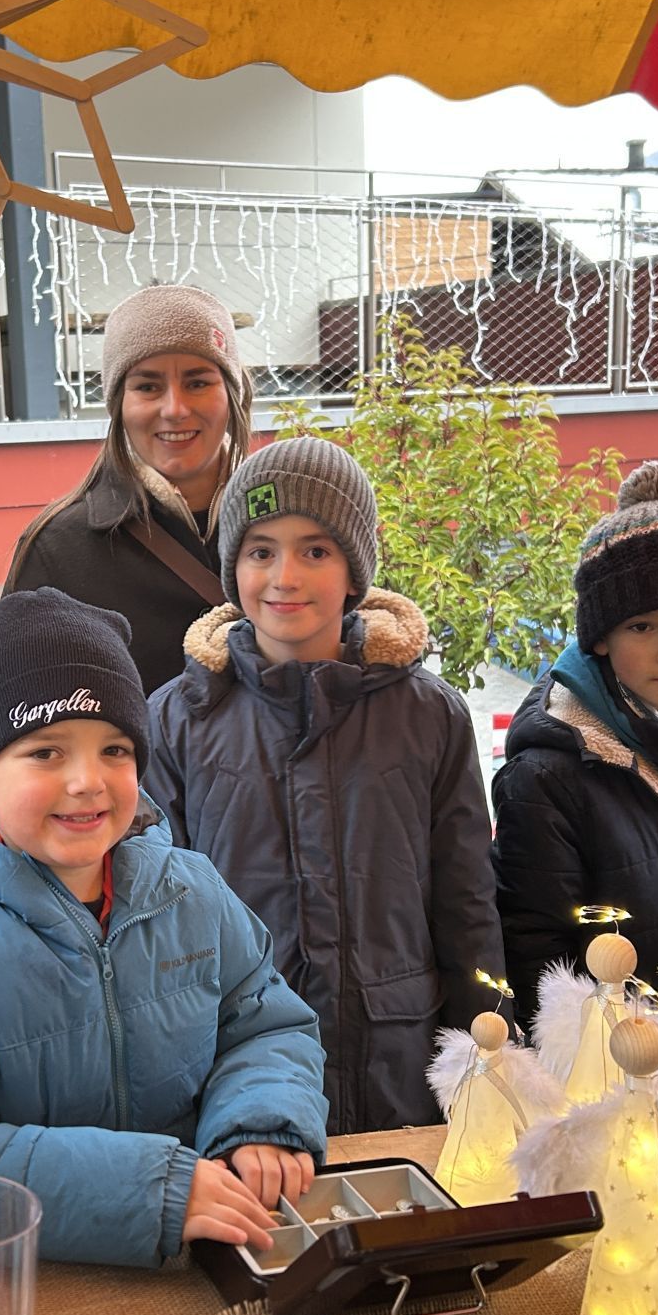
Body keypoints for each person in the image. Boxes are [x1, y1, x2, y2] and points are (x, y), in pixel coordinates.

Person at [0, 590, 328, 1267]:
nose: (88, 781)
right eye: (45, 752)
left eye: (115, 749)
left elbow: (268, 1027)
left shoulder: (193, 892)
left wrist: (262, 1119)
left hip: (212, 1256)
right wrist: (147, 1191)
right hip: (28, 1294)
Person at [144, 437, 501, 1135]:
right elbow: (161, 926)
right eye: (259, 551)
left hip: (401, 1062)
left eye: (315, 550)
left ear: (353, 569)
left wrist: (488, 1052)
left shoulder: (429, 714)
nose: (285, 576)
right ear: (234, 567)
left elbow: (468, 900)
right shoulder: (178, 720)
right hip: (243, 1073)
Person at [490, 460, 658, 1025]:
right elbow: (537, 958)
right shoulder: (548, 777)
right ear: (601, 640)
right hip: (619, 1076)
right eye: (642, 627)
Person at [4, 284, 254, 692]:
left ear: (232, 394)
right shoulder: (58, 551)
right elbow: (24, 719)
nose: (174, 409)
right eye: (148, 386)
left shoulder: (284, 521)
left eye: (198, 383)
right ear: (119, 403)